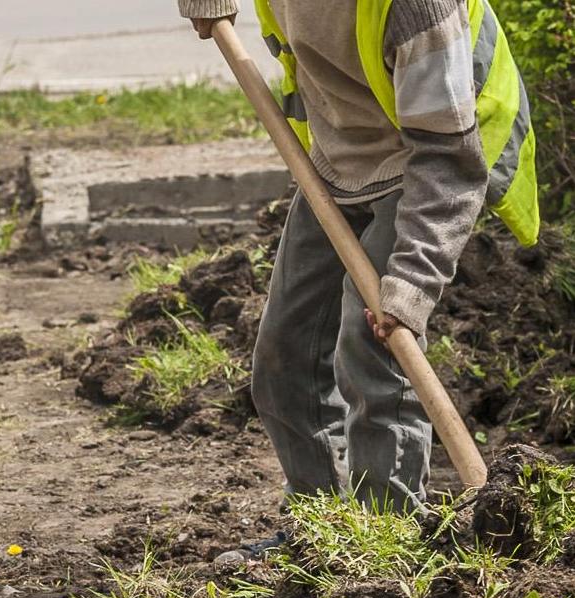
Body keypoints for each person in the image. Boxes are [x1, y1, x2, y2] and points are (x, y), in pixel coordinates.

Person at [181, 0, 541, 563]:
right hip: (337, 160)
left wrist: (412, 282)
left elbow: (449, 159)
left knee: (375, 351)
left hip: (429, 164)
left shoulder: (416, 7)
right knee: (284, 355)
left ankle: (385, 542)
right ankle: (323, 533)